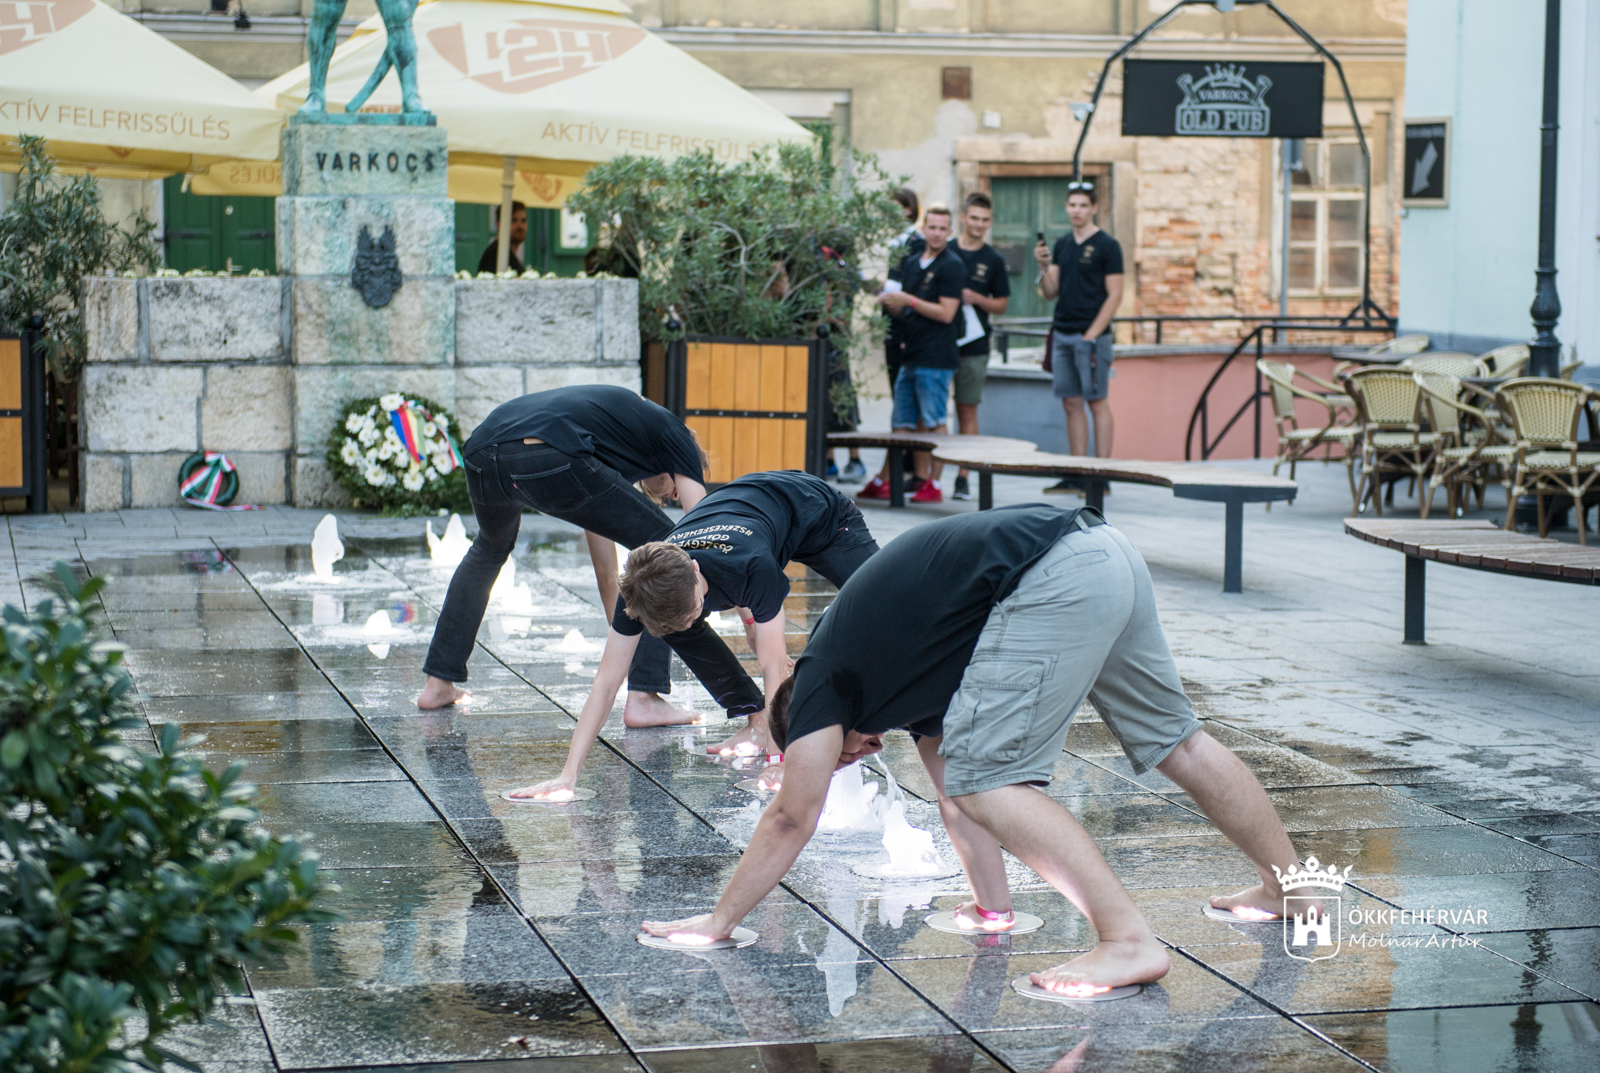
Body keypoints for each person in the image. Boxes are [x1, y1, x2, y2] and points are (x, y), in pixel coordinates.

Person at [641, 505, 1312, 999]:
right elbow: (951, 798)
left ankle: (1127, 938)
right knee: (1179, 743)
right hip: (1102, 551)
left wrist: (719, 920)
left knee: (991, 778)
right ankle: (1294, 891)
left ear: (816, 724)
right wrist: (993, 907)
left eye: (839, 756)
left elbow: (792, 813)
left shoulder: (817, 682)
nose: (855, 759)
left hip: (1050, 573)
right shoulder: (896, 676)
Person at [505, 470, 880, 800]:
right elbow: (605, 683)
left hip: (822, 513)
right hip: (749, 512)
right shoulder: (640, 587)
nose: (691, 623)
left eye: (697, 609)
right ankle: (754, 720)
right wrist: (567, 775)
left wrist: (778, 760)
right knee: (680, 629)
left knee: (881, 602)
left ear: (697, 570)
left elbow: (772, 666)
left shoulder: (750, 567)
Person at [417, 385, 708, 726]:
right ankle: (645, 697)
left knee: (488, 549)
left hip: (483, 450)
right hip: (545, 451)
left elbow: (606, 573)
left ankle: (438, 682)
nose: (674, 496)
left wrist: (624, 642)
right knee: (665, 548)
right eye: (677, 488)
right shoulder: (675, 436)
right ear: (681, 463)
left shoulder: (609, 451)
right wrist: (750, 615)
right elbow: (704, 536)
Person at [859, 204, 964, 504]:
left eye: (943, 228)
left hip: (936, 357)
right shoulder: (914, 260)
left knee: (934, 420)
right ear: (924, 228)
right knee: (901, 422)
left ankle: (935, 483)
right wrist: (888, 301)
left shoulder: (952, 265)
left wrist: (909, 300)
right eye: (932, 227)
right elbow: (906, 307)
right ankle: (899, 480)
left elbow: (947, 313)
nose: (937, 233)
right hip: (910, 353)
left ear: (950, 231)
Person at [1035, 182, 1124, 492]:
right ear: (1067, 207)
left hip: (1092, 338)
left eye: (1083, 205)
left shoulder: (1108, 246)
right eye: (1072, 205)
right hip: (1062, 333)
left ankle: (1101, 475)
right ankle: (1077, 472)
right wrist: (1043, 266)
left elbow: (1115, 295)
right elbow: (1050, 292)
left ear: (1094, 208)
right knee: (1071, 403)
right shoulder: (1062, 244)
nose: (1077, 210)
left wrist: (1091, 335)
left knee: (1097, 402)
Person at [951, 192, 1011, 501]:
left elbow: (1002, 304)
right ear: (963, 218)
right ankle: (925, 478)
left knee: (967, 411)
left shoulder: (993, 259)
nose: (979, 224)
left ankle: (963, 476)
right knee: (931, 416)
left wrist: (977, 299)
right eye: (974, 218)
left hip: (974, 345)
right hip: (939, 343)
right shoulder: (946, 250)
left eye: (985, 220)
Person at [477, 201, 527, 275]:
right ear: (499, 224)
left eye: (523, 221)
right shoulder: (494, 256)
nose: (520, 226)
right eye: (513, 220)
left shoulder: (511, 257)